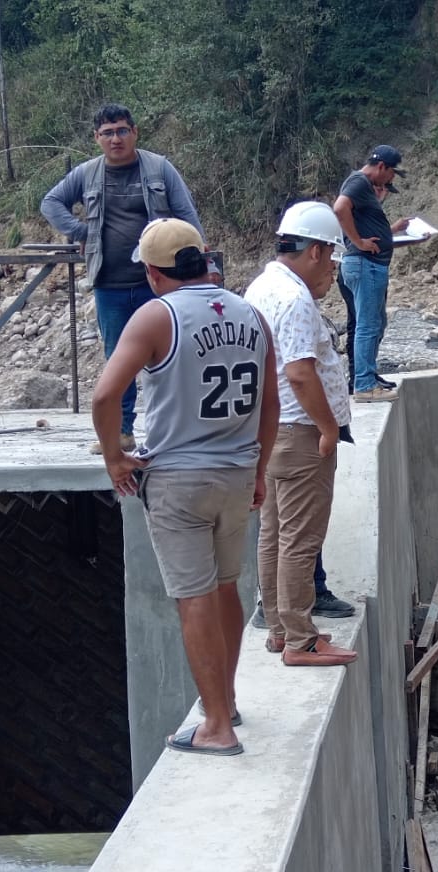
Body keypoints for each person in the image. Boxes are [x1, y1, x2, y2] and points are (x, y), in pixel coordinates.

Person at [91, 218, 278, 756]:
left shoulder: (157, 316)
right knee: (225, 589)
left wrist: (113, 456)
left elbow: (106, 396)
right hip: (238, 473)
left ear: (152, 273)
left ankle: (217, 726)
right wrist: (259, 470)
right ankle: (228, 699)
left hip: (179, 478)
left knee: (193, 598)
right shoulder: (250, 313)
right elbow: (270, 404)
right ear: (203, 258)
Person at [42, 103, 203, 453]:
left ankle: (180, 430)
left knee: (174, 356)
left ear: (135, 132)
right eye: (108, 133)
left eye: (122, 130)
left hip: (162, 284)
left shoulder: (159, 169)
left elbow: (188, 217)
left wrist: (204, 267)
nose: (116, 138)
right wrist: (80, 231)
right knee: (119, 360)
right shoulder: (87, 174)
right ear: (96, 138)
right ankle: (122, 432)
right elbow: (51, 203)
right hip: (110, 284)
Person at [244, 201, 358, 667]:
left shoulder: (261, 286)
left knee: (273, 533)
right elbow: (300, 373)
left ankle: (278, 630)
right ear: (314, 250)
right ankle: (301, 639)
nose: (333, 265)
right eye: (331, 254)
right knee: (300, 540)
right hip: (298, 430)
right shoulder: (293, 300)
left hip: (270, 431)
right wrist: (328, 426)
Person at [334, 145, 414, 403]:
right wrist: (357, 241)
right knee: (367, 325)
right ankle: (364, 385)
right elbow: (339, 208)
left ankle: (368, 376)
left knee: (376, 323)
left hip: (371, 265)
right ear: (382, 167)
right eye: (391, 174)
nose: (390, 180)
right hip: (364, 263)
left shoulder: (364, 186)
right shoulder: (358, 181)